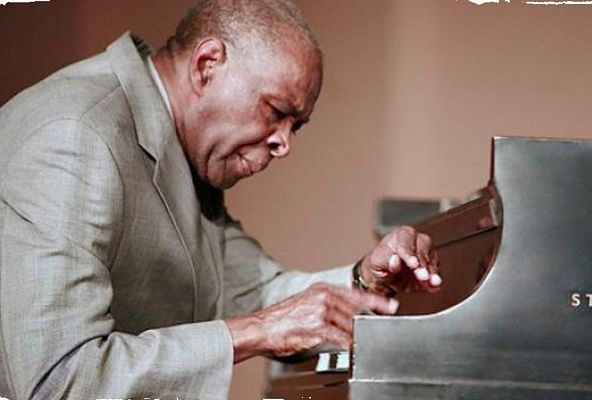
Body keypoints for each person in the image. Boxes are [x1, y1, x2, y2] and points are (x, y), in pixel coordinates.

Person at [0, 0, 441, 399]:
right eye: (276, 112)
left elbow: (256, 292)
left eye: (296, 126)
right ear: (207, 65)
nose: (284, 144)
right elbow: (59, 379)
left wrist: (365, 278)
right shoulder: (76, 136)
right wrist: (256, 332)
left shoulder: (183, 147)